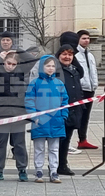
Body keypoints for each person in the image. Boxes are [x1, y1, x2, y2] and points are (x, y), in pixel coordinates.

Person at [0, 51, 29, 182]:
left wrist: (18, 51)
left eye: (13, 64)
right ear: (4, 62)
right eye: (8, 63)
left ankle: (22, 169)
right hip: (1, 114)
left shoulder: (22, 74)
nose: (10, 66)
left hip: (18, 114)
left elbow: (31, 59)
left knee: (19, 144)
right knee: (0, 144)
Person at [26, 55, 68, 183]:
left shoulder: (59, 83)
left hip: (56, 121)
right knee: (39, 148)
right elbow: (29, 101)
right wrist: (34, 116)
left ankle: (54, 171)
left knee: (54, 148)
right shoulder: (34, 83)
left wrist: (63, 115)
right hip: (39, 121)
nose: (50, 68)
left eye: (53, 66)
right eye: (48, 66)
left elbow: (65, 101)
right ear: (41, 67)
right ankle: (39, 170)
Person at [56, 44, 85, 176]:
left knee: (67, 138)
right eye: (64, 54)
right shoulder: (55, 70)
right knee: (59, 139)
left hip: (74, 108)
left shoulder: (75, 70)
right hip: (60, 110)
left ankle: (62, 165)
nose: (67, 57)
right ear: (59, 56)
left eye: (70, 54)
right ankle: (56, 165)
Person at [75, 30, 99, 150]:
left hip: (90, 89)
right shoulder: (75, 55)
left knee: (85, 116)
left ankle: (82, 139)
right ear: (78, 39)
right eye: (84, 38)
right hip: (80, 89)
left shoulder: (89, 55)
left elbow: (93, 71)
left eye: (88, 38)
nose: (87, 40)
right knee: (76, 115)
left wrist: (95, 84)